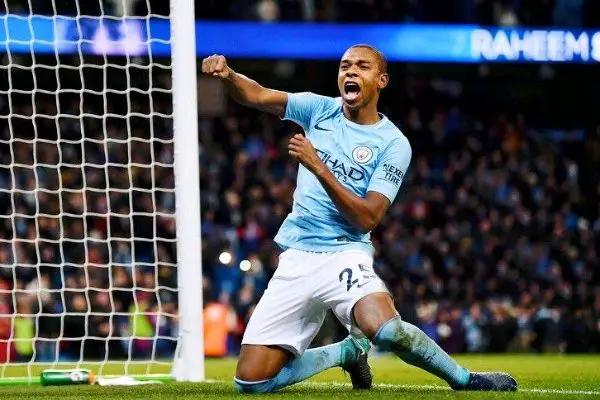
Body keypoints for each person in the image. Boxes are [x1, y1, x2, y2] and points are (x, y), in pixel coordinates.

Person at [201, 45, 517, 393]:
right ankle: (347, 352)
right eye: (345, 66)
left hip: (344, 252)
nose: (350, 71)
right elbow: (257, 95)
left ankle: (464, 379)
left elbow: (368, 217)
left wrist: (319, 166)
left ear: (381, 80)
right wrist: (229, 76)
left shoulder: (393, 144)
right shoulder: (319, 109)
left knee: (388, 331)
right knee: (251, 383)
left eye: (362, 66)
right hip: (297, 255)